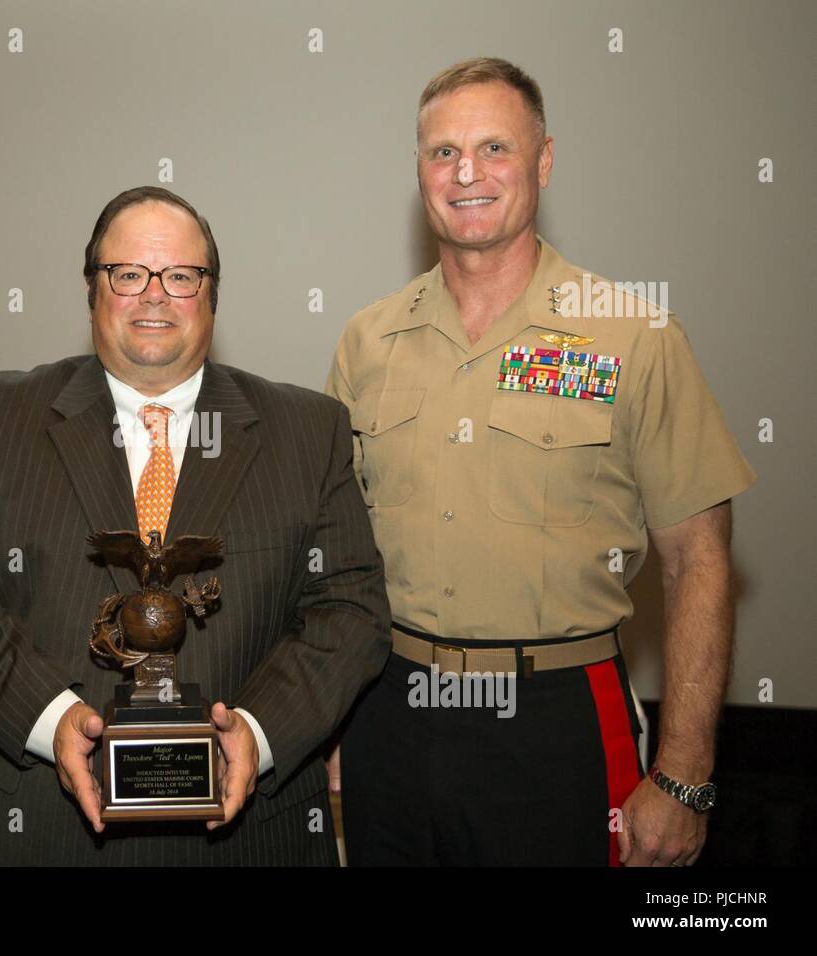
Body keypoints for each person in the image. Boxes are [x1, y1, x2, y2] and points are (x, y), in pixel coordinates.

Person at [327, 58, 755, 866]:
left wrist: (686, 775)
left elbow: (700, 559)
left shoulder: (631, 335)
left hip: (557, 716)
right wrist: (333, 719)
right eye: (442, 152)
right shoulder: (367, 339)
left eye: (495, 148)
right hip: (389, 705)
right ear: (418, 170)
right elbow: (334, 558)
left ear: (544, 161)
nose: (467, 174)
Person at [0, 185, 389, 865]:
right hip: (38, 828)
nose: (154, 295)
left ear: (212, 293)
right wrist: (53, 722)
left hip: (248, 837)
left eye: (180, 276)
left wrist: (257, 731)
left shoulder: (306, 432)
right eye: (128, 274)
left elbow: (352, 612)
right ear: (91, 290)